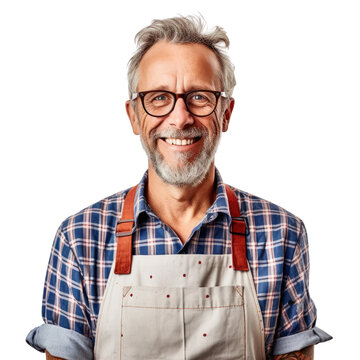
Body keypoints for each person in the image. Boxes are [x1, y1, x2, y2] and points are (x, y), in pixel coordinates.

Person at [26, 15, 332, 360]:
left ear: (226, 113)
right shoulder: (81, 238)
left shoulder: (281, 234)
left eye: (199, 97)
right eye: (158, 98)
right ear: (134, 116)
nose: (180, 117)